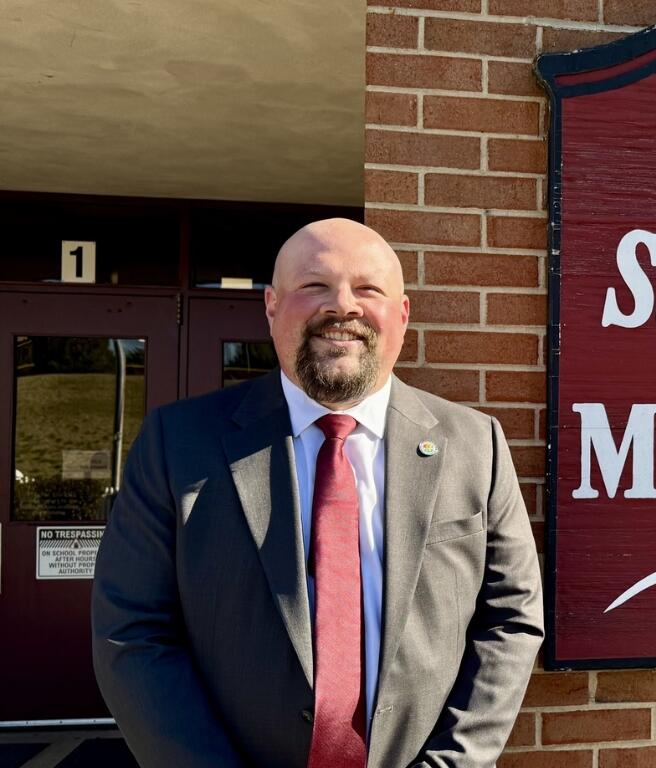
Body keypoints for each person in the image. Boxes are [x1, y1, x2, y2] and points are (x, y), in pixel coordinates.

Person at [92, 218, 543, 768]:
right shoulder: (178, 444)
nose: (342, 306)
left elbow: (512, 617)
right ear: (271, 306)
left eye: (368, 288)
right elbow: (132, 630)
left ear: (402, 315)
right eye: (314, 286)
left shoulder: (476, 445)